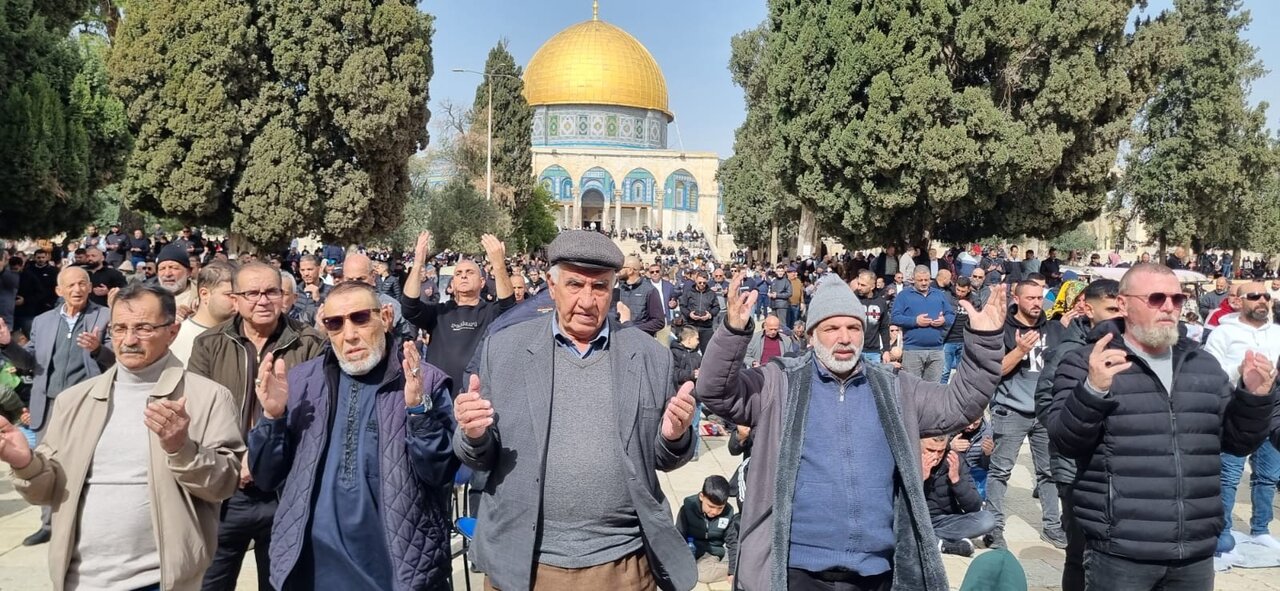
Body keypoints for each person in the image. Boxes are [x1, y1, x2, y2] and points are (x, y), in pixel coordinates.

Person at [697, 272, 1009, 591]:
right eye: (832, 328)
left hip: (875, 571)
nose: (844, 338)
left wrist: (984, 341)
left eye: (853, 327)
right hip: (797, 570)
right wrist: (734, 331)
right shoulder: (779, 383)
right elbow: (715, 392)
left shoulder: (894, 387)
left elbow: (960, 405)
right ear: (812, 335)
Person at [454, 230, 698, 591]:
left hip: (622, 565)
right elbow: (480, 456)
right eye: (574, 285)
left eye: (599, 287)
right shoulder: (504, 350)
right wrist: (473, 434)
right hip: (527, 564)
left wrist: (675, 437)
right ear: (551, 287)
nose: (587, 300)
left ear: (612, 290)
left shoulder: (649, 356)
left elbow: (662, 458)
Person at [1045, 263, 1277, 591]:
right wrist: (1092, 390)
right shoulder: (1088, 362)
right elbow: (1066, 441)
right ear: (1123, 304)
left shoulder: (1203, 364)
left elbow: (1238, 442)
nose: (1169, 307)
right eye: (1156, 298)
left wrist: (1254, 397)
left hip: (1194, 550)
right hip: (1121, 549)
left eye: (1177, 299)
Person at [1, 282, 244, 590]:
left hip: (161, 579)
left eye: (143, 328)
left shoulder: (207, 397)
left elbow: (224, 484)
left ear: (172, 331)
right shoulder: (74, 400)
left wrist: (182, 449)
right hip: (79, 579)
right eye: (119, 328)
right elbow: (46, 492)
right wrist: (25, 464)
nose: (129, 339)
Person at [248, 281, 459, 590]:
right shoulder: (301, 382)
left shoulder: (424, 381)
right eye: (335, 323)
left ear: (385, 318)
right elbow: (266, 477)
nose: (349, 335)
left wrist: (418, 412)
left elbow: (440, 473)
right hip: (310, 572)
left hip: (395, 573)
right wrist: (272, 418)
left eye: (360, 318)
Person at [187, 262, 327, 591]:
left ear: (284, 297)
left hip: (284, 490)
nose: (262, 300)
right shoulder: (209, 344)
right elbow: (198, 412)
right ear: (235, 299)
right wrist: (237, 461)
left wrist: (264, 456)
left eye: (271, 292)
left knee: (281, 583)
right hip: (226, 488)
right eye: (252, 293)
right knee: (210, 582)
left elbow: (317, 416)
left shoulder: (309, 344)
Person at [0, 266, 114, 546]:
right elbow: (29, 363)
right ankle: (48, 524)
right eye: (71, 285)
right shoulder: (42, 321)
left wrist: (98, 349)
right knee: (45, 465)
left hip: (87, 404)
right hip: (48, 403)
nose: (77, 289)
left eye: (82, 284)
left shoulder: (105, 317)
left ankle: (87, 524)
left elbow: (116, 361)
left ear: (90, 287)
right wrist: (6, 345)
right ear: (58, 290)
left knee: (90, 464)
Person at [1033, 278, 1122, 591]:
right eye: (1111, 308)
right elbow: (1045, 403)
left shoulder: (1129, 348)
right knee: (1080, 553)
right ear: (1087, 307)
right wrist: (1076, 427)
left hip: (1116, 472)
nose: (1118, 315)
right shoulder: (1069, 351)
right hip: (1075, 470)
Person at [1202, 281, 1280, 563]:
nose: (1262, 300)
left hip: (1271, 408)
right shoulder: (1224, 332)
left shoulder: (1278, 333)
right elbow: (1210, 369)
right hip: (1235, 410)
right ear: (1239, 302)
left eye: (1266, 296)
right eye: (1254, 296)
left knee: (1268, 474)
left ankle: (1261, 528)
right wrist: (1241, 373)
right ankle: (1222, 537)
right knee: (1229, 476)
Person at [985, 280, 1064, 549]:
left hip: (1045, 413)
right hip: (1011, 410)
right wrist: (1019, 351)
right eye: (1030, 298)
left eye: (1040, 297)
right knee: (1000, 470)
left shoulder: (1053, 330)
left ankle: (1053, 527)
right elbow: (996, 371)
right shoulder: (1003, 329)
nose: (1036, 302)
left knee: (1049, 472)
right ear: (1017, 299)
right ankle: (994, 527)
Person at [401, 231, 515, 391]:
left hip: (477, 397)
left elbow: (509, 307)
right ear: (452, 283)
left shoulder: (490, 312)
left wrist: (498, 265)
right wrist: (418, 262)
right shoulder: (438, 313)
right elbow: (409, 307)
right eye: (459, 273)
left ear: (482, 282)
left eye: (470, 272)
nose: (463, 276)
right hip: (441, 398)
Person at [921, 435, 996, 558]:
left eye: (940, 451)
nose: (936, 456)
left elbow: (974, 507)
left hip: (946, 521)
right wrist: (920, 478)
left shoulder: (954, 460)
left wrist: (956, 481)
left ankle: (930, 538)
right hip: (914, 520)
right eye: (930, 450)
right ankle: (940, 543)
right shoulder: (908, 462)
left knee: (987, 519)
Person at [891, 265, 954, 382]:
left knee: (933, 390)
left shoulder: (939, 294)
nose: (924, 283)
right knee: (912, 389)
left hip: (937, 350)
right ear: (913, 279)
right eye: (920, 280)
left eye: (927, 280)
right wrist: (915, 321)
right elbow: (895, 318)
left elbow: (951, 315)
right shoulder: (904, 295)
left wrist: (944, 320)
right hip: (913, 350)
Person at [171, 261, 237, 366]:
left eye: (240, 295)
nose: (237, 301)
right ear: (204, 294)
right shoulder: (176, 337)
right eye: (229, 295)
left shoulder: (242, 335)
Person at [676, 475, 736, 584]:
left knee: (702, 574)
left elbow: (732, 543)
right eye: (710, 506)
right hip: (689, 551)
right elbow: (678, 536)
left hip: (711, 553)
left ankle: (740, 569)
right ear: (701, 496)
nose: (714, 512)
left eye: (720, 508)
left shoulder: (728, 513)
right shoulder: (687, 509)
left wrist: (732, 571)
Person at [615, 256, 666, 336]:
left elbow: (658, 322)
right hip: (621, 337)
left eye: (622, 268)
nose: (619, 271)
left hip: (640, 340)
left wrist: (634, 329)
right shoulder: (619, 289)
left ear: (630, 270)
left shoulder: (649, 290)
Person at [941, 277, 978, 384]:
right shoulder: (947, 296)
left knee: (962, 373)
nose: (960, 293)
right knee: (944, 371)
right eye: (958, 290)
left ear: (969, 289)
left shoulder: (975, 300)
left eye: (963, 291)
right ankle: (941, 396)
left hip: (965, 340)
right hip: (948, 339)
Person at [852, 270, 892, 365]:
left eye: (863, 285)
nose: (859, 287)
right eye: (858, 284)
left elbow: (884, 328)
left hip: (873, 351)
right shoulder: (852, 299)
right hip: (854, 350)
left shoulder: (881, 302)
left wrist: (886, 350)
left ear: (872, 286)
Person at [680, 271, 720, 354]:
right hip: (692, 326)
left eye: (704, 283)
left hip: (706, 327)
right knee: (690, 352)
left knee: (707, 353)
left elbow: (716, 307)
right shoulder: (689, 292)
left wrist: (710, 315)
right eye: (700, 282)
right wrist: (689, 314)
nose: (702, 284)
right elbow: (682, 306)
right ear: (695, 281)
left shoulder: (711, 293)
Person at [156, 243, 199, 318]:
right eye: (162, 269)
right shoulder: (147, 298)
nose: (167, 274)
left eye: (174, 268)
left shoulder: (203, 298)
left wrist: (194, 319)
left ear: (188, 272)